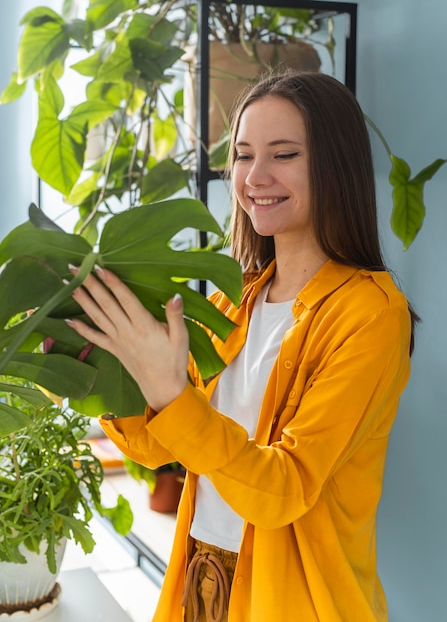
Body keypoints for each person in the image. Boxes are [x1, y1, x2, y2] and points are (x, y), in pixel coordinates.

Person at [66, 70, 417, 622]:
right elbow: (161, 446)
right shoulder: (239, 301)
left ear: (334, 164)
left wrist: (171, 392)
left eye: (284, 154)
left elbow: (284, 488)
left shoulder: (371, 314)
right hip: (202, 581)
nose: (255, 176)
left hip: (296, 600)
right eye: (244, 154)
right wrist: (99, 367)